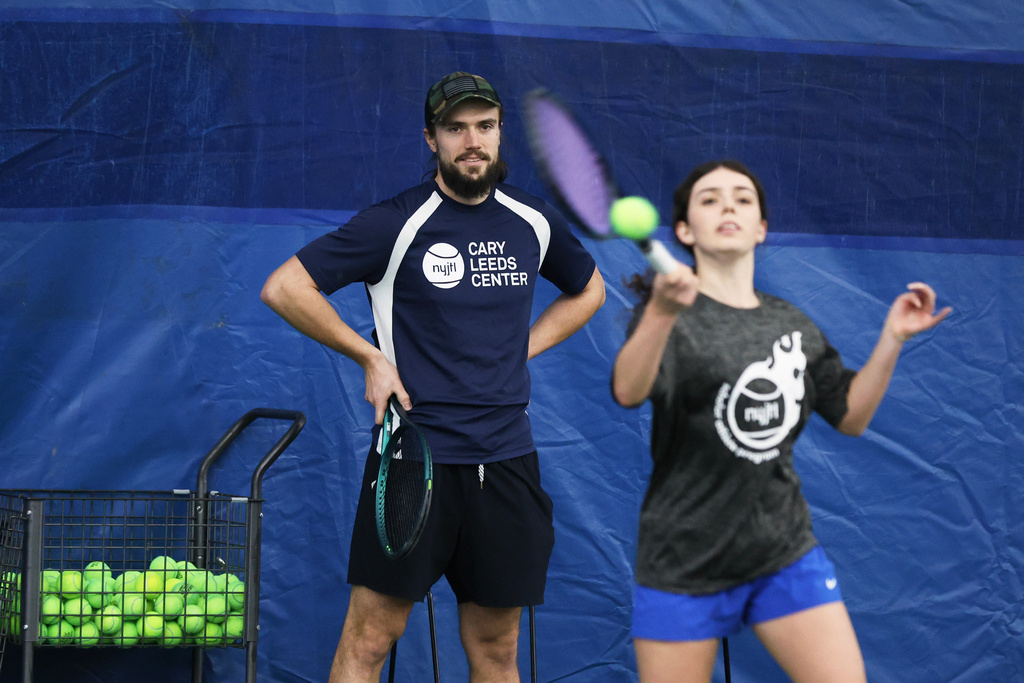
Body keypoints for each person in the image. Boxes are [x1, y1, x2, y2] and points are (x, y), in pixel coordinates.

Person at [261, 71, 605, 683]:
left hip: (506, 461)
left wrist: (517, 350)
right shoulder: (396, 222)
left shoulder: (531, 221)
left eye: (485, 127)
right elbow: (285, 287)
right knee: (370, 639)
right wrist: (370, 357)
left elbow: (590, 290)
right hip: (413, 460)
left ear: (500, 135)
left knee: (498, 649)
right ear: (432, 139)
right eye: (455, 128)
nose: (472, 141)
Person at [611, 160, 950, 683]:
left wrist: (893, 339)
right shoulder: (669, 315)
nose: (728, 205)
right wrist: (659, 313)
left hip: (782, 554)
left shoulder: (791, 324)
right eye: (710, 198)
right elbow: (627, 391)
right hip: (681, 561)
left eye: (743, 199)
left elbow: (851, 417)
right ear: (683, 230)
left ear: (761, 228)